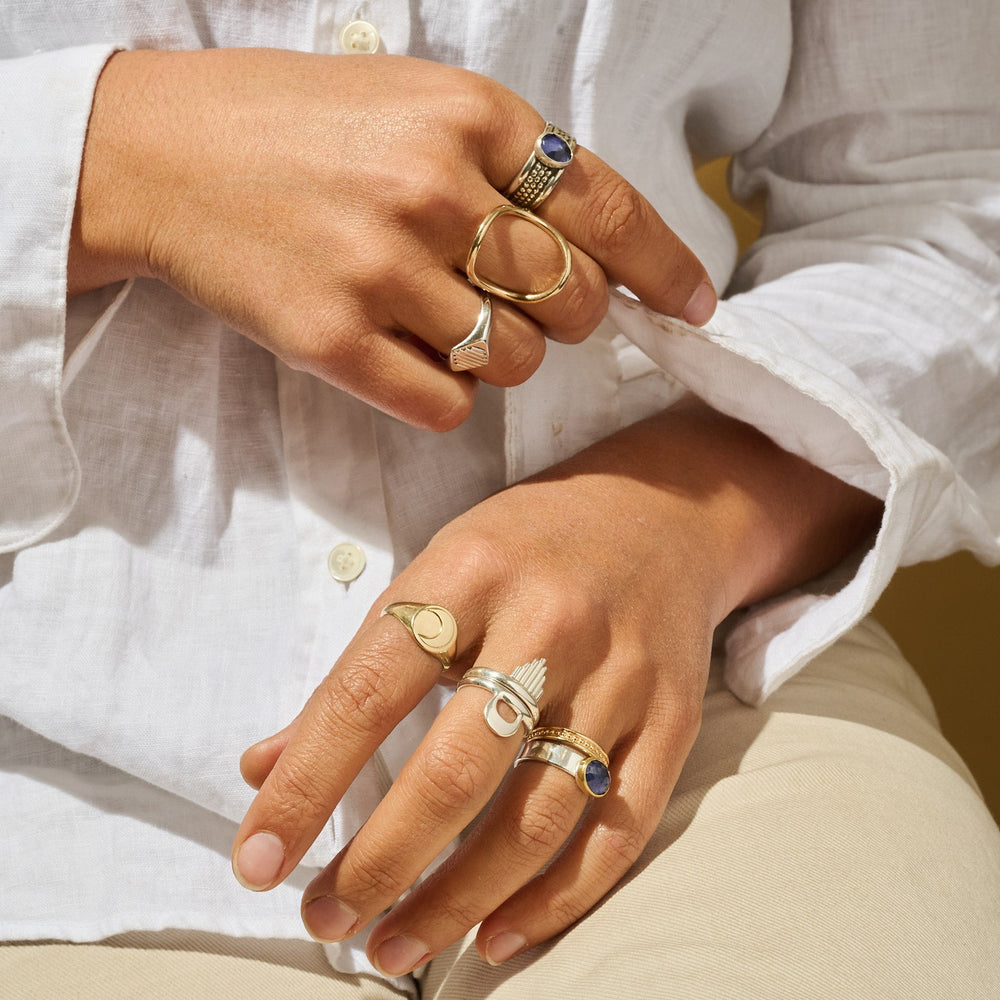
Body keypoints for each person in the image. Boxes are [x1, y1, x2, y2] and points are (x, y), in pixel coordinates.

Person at [2, 2, 999, 997]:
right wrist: (104, 158)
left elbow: (946, 193)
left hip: (686, 669)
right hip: (48, 774)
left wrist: (693, 506)